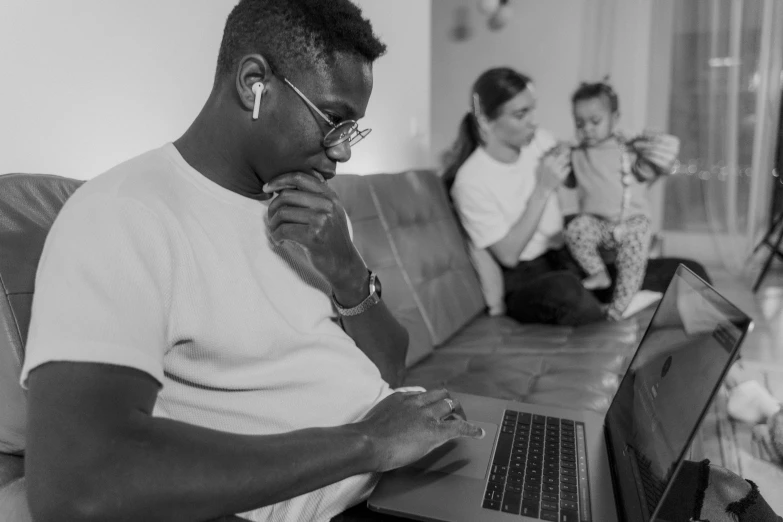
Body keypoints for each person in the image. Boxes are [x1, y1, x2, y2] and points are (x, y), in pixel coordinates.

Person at [20, 2, 484, 521]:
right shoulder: (124, 215)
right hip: (348, 494)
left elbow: (391, 369)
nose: (343, 152)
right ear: (253, 83)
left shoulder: (313, 210)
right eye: (334, 120)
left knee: (576, 465)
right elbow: (75, 483)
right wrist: (369, 441)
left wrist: (347, 271)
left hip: (402, 469)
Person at [443, 67, 708, 327]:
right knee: (567, 290)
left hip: (570, 260)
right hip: (527, 278)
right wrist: (542, 189)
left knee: (689, 272)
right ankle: (615, 311)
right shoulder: (470, 182)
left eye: (532, 109)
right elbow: (508, 255)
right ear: (486, 122)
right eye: (521, 114)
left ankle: (727, 363)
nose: (533, 121)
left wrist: (646, 160)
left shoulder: (540, 141)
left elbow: (601, 172)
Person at [562, 80, 681, 320]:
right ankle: (598, 273)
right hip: (600, 225)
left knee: (632, 267)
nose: (587, 129)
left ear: (614, 118)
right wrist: (559, 154)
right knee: (575, 228)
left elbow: (653, 166)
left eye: (595, 121)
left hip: (632, 223)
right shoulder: (577, 154)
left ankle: (619, 308)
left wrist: (647, 145)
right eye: (579, 123)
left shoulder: (627, 149)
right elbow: (567, 179)